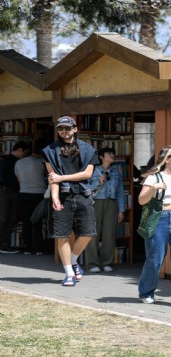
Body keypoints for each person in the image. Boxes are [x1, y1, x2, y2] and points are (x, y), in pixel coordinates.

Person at [42, 116, 98, 286]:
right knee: (61, 235)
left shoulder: (88, 150)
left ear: (75, 129)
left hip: (83, 195)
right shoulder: (49, 151)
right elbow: (53, 178)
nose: (64, 131)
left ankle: (74, 260)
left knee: (88, 233)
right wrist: (54, 197)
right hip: (63, 196)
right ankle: (68, 273)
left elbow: (87, 174)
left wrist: (62, 177)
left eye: (67, 128)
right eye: (61, 128)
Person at [137, 146, 171, 308]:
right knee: (155, 259)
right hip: (159, 217)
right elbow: (141, 200)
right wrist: (154, 188)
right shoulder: (154, 178)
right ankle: (146, 292)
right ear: (167, 159)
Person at [85, 147, 125, 273]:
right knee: (93, 233)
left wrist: (121, 210)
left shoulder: (116, 173)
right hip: (95, 203)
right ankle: (92, 263)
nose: (112, 155)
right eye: (109, 153)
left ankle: (107, 262)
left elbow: (120, 192)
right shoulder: (92, 172)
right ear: (101, 157)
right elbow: (86, 191)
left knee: (110, 233)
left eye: (113, 153)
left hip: (111, 203)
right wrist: (98, 182)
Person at [14, 140, 48, 255]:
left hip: (24, 193)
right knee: (38, 222)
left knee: (26, 221)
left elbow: (18, 178)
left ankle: (27, 247)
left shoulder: (19, 163)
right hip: (39, 194)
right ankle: (39, 248)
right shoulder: (42, 163)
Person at [0, 141, 31, 253]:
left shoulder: (8, 161)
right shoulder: (7, 161)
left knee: (10, 218)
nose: (25, 156)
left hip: (10, 191)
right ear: (19, 150)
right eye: (25, 153)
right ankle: (3, 244)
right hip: (6, 191)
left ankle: (4, 244)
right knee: (4, 217)